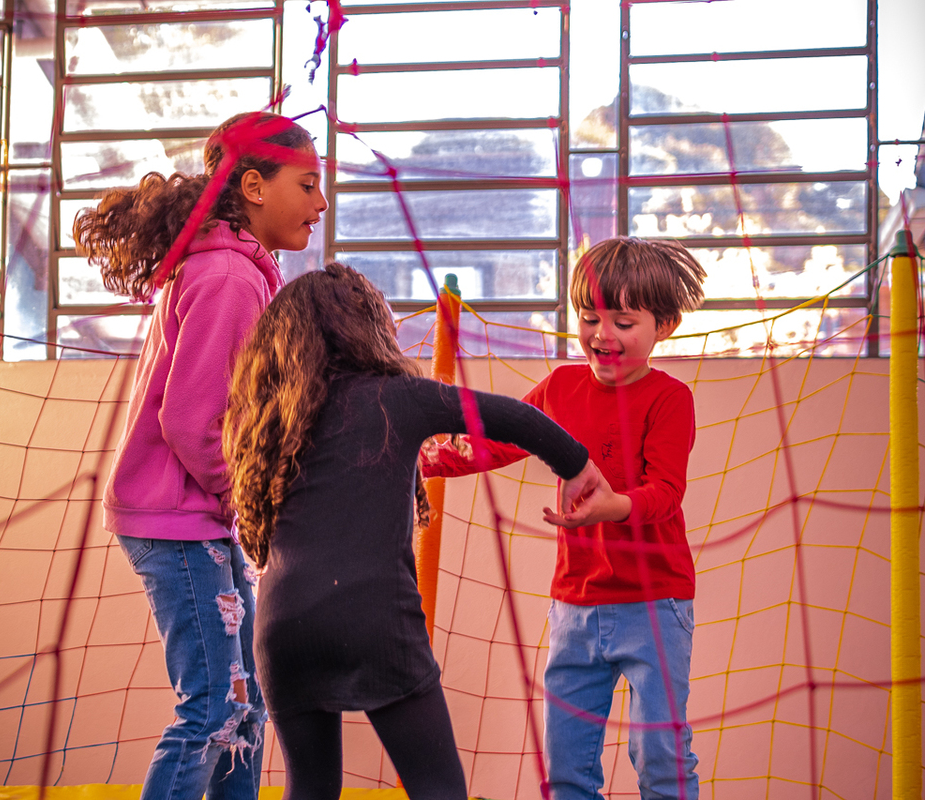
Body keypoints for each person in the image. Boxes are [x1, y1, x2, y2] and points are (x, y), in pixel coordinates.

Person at [222, 262, 602, 800]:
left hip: (283, 627)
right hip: (374, 619)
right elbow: (515, 418)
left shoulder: (275, 416)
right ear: (368, 329)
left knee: (309, 788)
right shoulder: (395, 395)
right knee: (437, 788)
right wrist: (580, 467)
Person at [72, 111, 328, 800]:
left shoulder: (237, 270)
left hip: (195, 520)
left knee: (244, 708)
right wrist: (245, 503)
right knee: (214, 709)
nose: (320, 202)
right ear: (252, 186)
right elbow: (191, 420)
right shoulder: (227, 278)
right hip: (177, 520)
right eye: (306, 185)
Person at [420, 237, 708, 800]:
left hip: (654, 604)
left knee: (660, 756)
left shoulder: (670, 398)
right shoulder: (560, 388)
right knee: (568, 765)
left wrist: (614, 506)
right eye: (590, 317)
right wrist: (422, 453)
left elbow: (665, 494)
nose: (603, 334)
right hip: (575, 608)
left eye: (624, 322)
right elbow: (495, 441)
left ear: (664, 326)